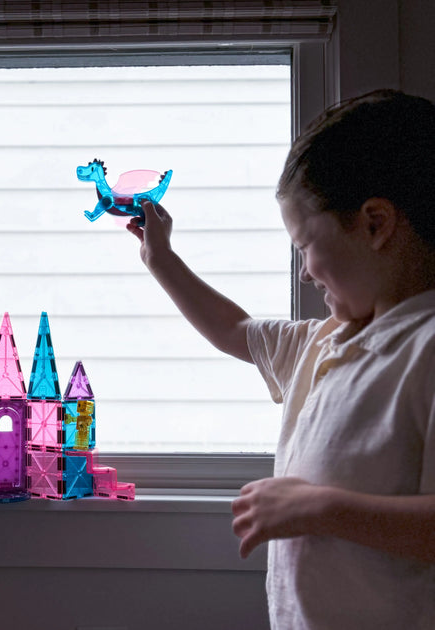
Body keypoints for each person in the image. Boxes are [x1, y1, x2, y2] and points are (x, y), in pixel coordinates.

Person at [126, 89, 435, 629]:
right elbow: (233, 329)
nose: (305, 273)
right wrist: (162, 260)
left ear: (375, 224)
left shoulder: (424, 351)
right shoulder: (322, 343)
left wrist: (318, 508)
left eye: (304, 246)